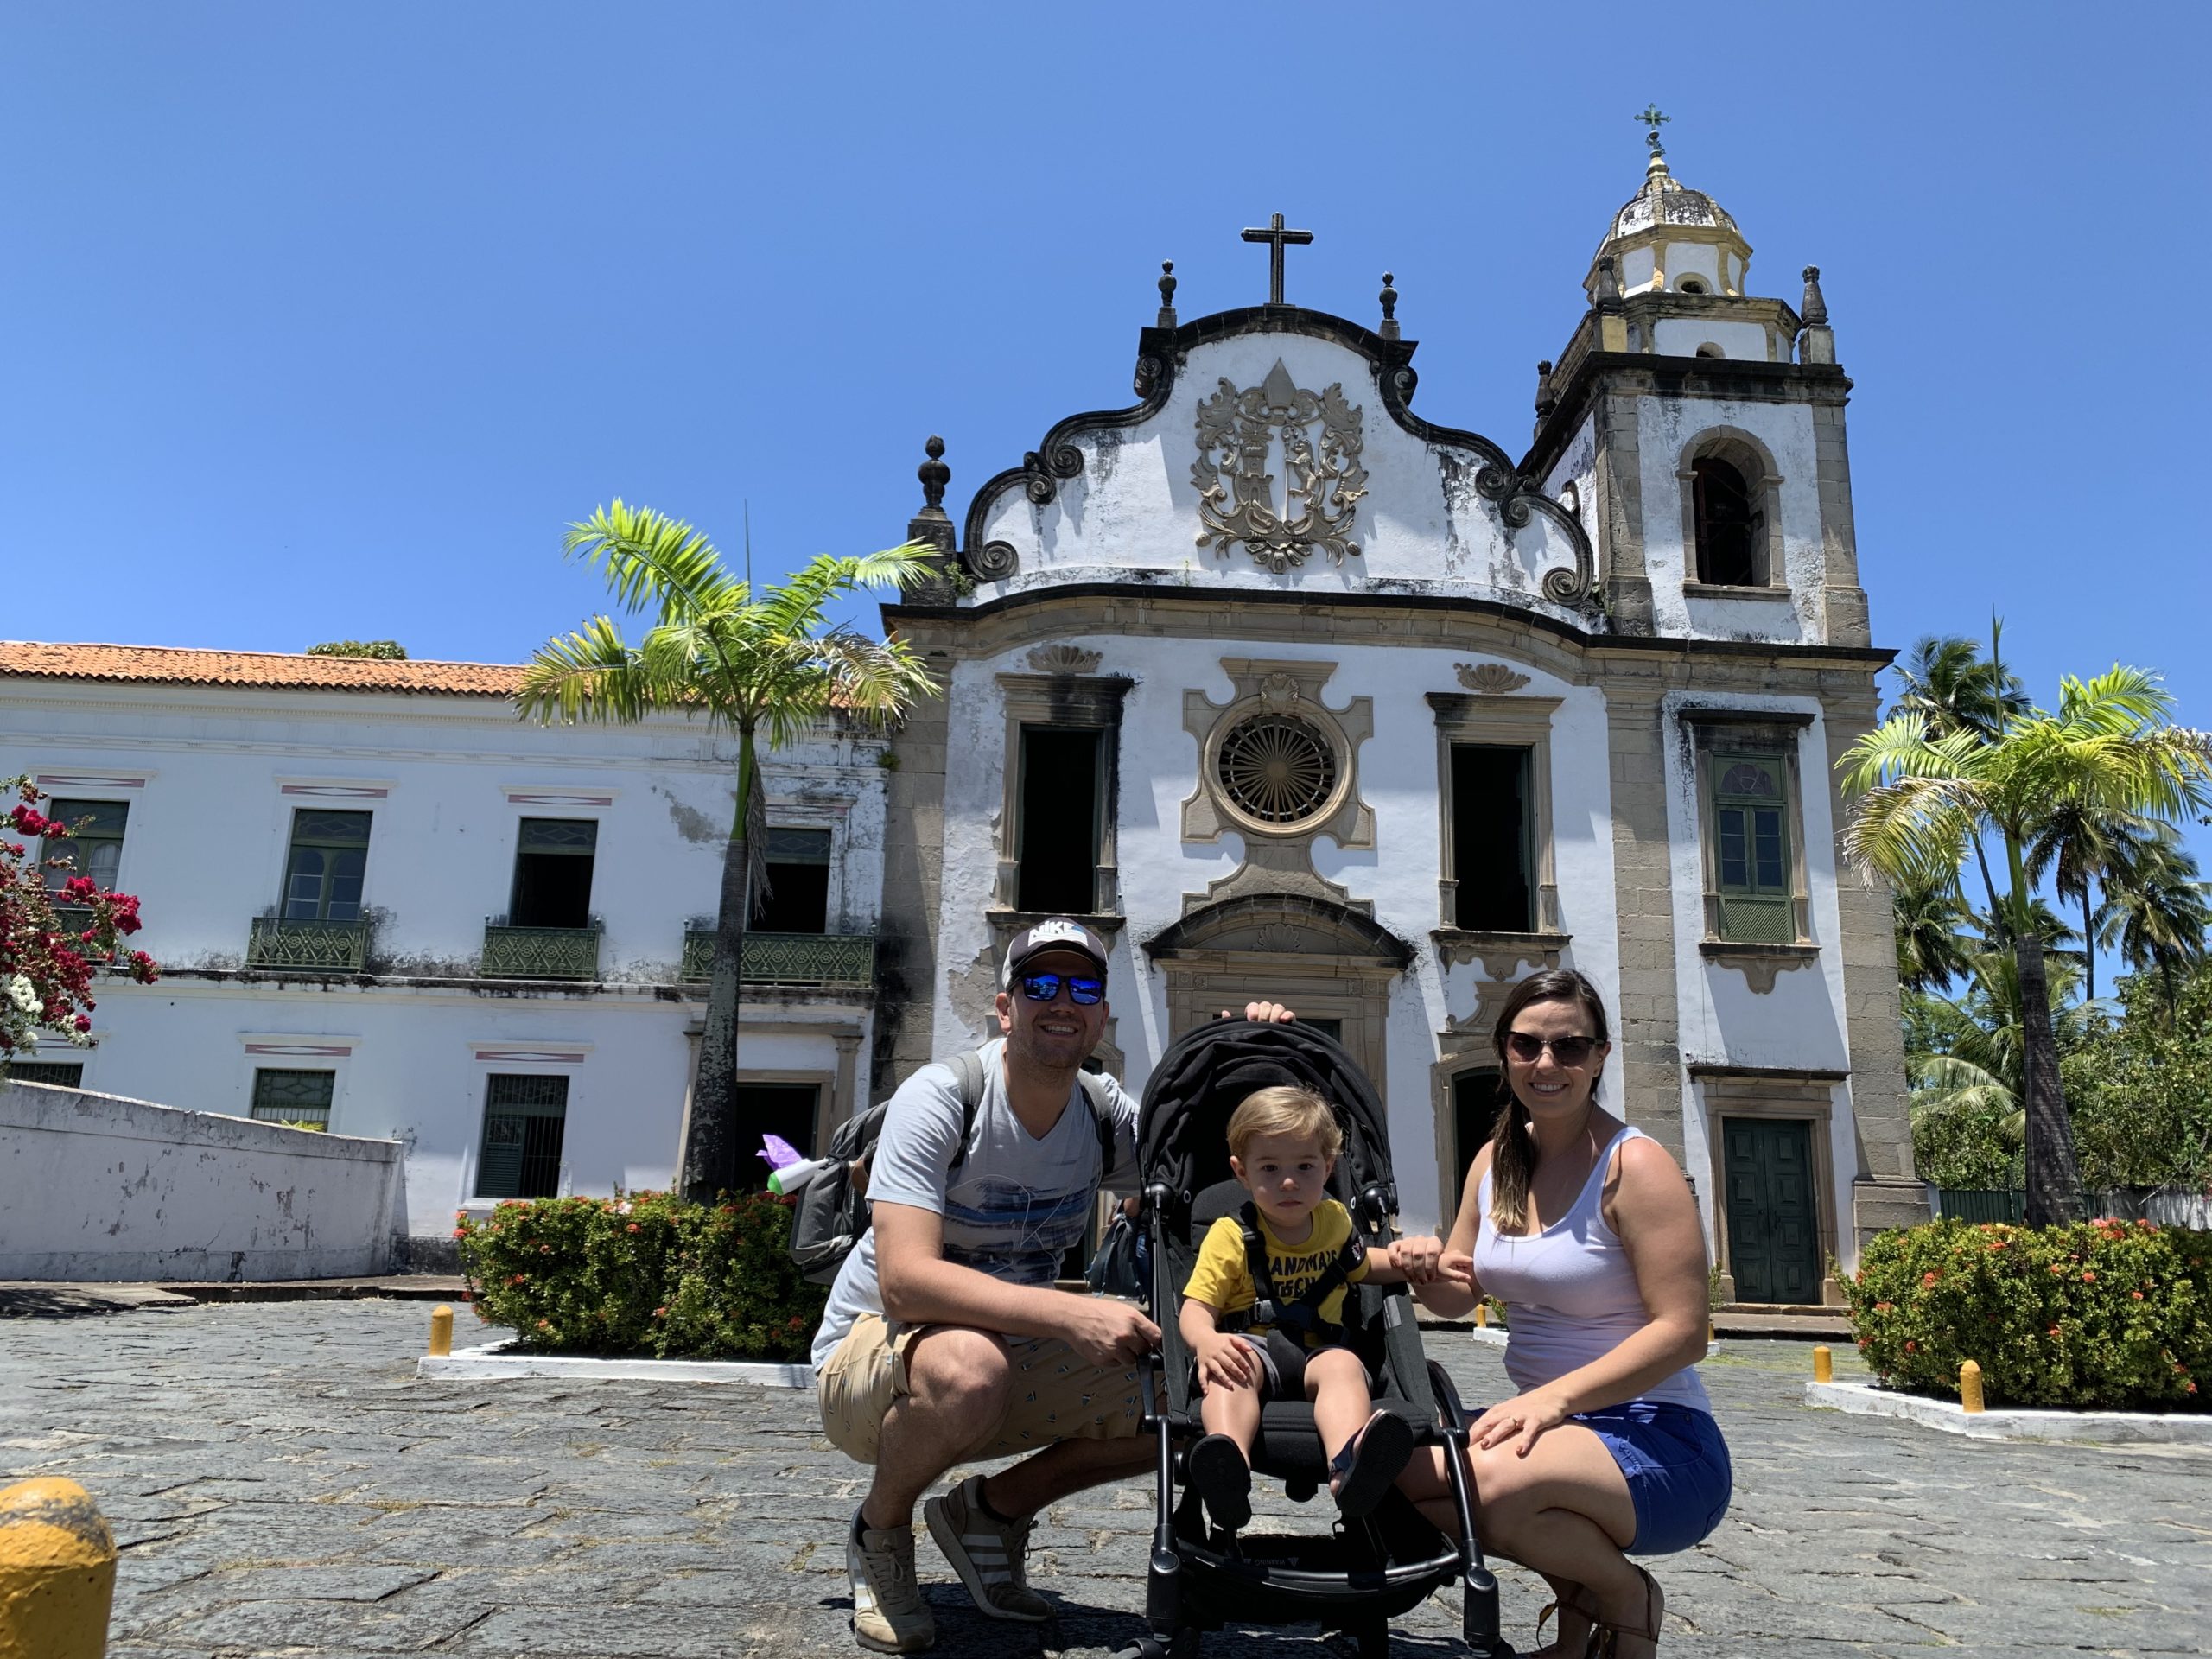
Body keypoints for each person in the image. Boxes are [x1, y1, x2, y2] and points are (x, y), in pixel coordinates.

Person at [810, 914, 1293, 1653]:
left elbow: (1219, 1152)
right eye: (1040, 984)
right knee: (970, 1366)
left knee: (1187, 1390)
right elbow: (906, 1283)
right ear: (1006, 1008)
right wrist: (1072, 1316)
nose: (1061, 1000)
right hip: (874, 1361)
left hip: (1007, 1351)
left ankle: (991, 1514)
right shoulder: (942, 1096)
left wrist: (1252, 1051)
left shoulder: (1104, 1116)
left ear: (1101, 1013)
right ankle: (880, 1530)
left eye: (1082, 986)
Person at [1395, 969, 1730, 1659]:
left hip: (1659, 1438)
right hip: (1555, 1433)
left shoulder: (1635, 1166)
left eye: (1570, 1048)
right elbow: (1461, 1293)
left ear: (1600, 1056)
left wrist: (1553, 1399)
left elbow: (1684, 1331)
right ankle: (1581, 1617)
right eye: (1527, 1045)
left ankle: (1628, 1599)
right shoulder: (1495, 1161)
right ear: (1504, 1051)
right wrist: (1423, 1272)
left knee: (1479, 1484)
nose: (1547, 1063)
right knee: (1400, 1479)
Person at [1179, 1084, 1446, 1533]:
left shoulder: (1336, 1219)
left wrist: (1408, 1259)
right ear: (1241, 1173)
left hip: (1321, 1351)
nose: (1288, 1181)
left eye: (1304, 1166)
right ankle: (1228, 1467)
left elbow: (1363, 1267)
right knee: (1231, 1373)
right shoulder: (1229, 1235)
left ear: (1328, 1167)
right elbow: (1196, 1308)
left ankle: (1349, 1469)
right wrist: (1206, 1341)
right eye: (1270, 1168)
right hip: (1256, 1348)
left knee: (1343, 1365)